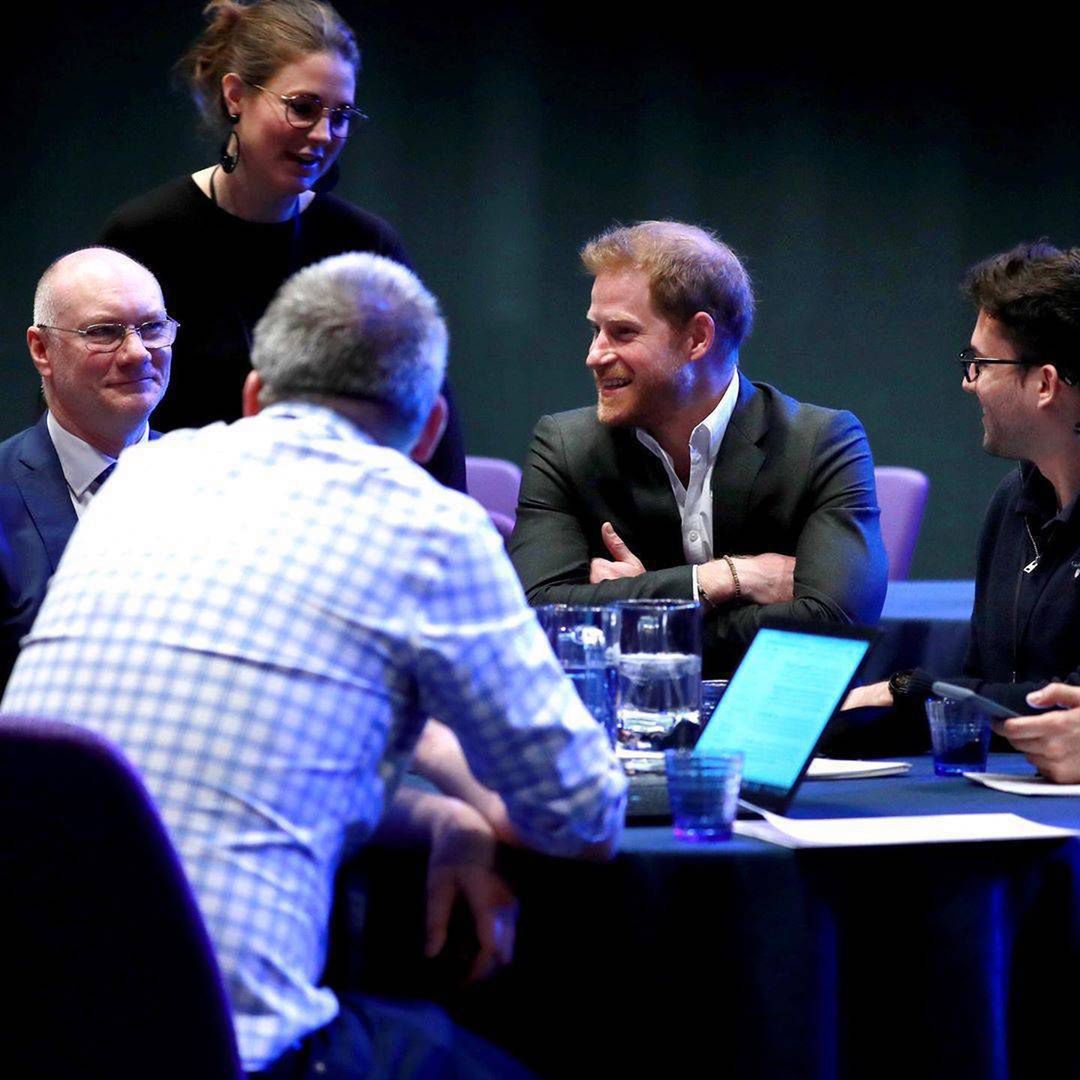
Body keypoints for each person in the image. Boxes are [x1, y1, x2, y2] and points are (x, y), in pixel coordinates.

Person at [1, 251, 625, 1076]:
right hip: (222, 1047)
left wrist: (444, 815)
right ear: (429, 428)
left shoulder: (139, 477)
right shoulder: (431, 527)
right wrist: (447, 764)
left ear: (257, 396)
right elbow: (582, 815)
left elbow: (243, 778)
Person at [99, 0, 466, 491]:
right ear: (236, 96)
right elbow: (84, 413)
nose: (323, 134)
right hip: (175, 519)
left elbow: (428, 419)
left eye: (341, 115)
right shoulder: (144, 235)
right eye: (303, 108)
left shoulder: (364, 244)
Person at [509, 220, 888, 676]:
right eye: (596, 331)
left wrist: (638, 611)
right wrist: (723, 579)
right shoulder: (566, 447)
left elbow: (835, 627)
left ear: (697, 338)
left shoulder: (821, 443)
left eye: (622, 333)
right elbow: (536, 620)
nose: (595, 354)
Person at [846, 241, 1080, 724]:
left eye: (982, 363)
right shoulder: (1013, 502)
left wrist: (911, 692)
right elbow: (987, 679)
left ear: (1045, 384)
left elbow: (1064, 701)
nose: (968, 382)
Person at [0, 247, 172, 690]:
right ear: (42, 349)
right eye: (103, 332)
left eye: (152, 327)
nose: (137, 353)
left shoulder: (220, 489)